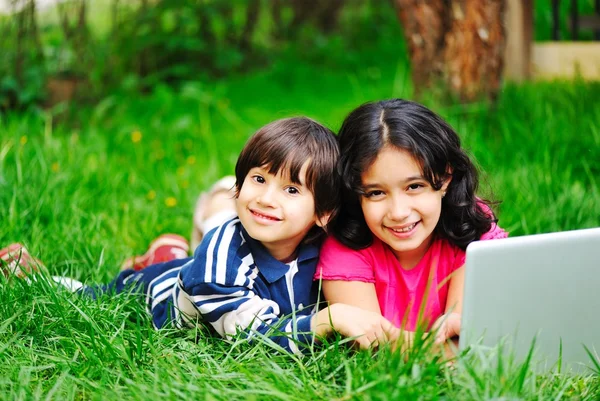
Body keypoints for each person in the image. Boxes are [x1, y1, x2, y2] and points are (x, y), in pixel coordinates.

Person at [1, 116, 400, 353]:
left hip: (187, 273)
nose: (265, 198)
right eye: (258, 179)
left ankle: (166, 252)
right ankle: (34, 273)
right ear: (239, 185)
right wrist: (321, 324)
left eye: (291, 190)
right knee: (94, 294)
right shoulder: (221, 256)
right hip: (156, 298)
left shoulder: (325, 250)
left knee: (175, 262)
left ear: (324, 213)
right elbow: (247, 335)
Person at [315, 99, 508, 347]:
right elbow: (374, 348)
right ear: (354, 193)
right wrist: (450, 345)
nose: (398, 212)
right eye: (375, 193)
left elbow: (470, 338)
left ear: (445, 178)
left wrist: (458, 340)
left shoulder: (471, 223)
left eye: (414, 186)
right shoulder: (345, 242)